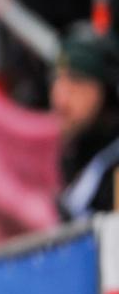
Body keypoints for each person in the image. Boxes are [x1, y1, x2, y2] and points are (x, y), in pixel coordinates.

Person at [54, 24, 119, 220]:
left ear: (106, 91)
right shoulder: (76, 151)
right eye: (58, 79)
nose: (60, 98)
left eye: (76, 81)